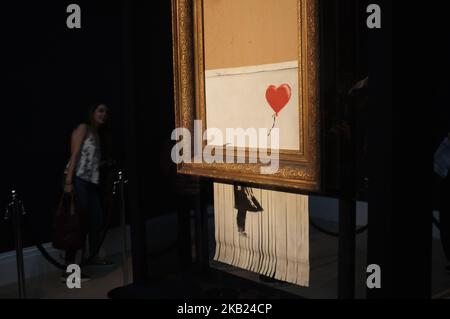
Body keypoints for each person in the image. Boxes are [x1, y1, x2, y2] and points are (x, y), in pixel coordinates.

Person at [62, 102, 113, 281]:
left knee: (96, 220)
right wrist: (69, 182)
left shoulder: (96, 134)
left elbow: (89, 158)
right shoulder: (83, 128)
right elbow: (75, 154)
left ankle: (89, 258)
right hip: (78, 181)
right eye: (100, 110)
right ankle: (70, 271)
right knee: (78, 225)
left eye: (106, 112)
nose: (104, 114)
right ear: (92, 112)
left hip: (90, 183)